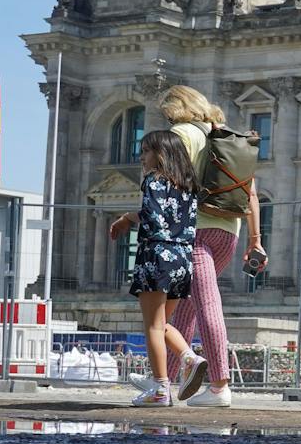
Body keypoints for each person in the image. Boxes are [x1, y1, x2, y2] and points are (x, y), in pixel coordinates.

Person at [160, 86, 264, 409]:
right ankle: (164, 380)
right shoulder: (224, 136)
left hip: (198, 230)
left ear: (176, 109)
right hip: (229, 234)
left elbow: (170, 185)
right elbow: (251, 194)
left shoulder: (182, 134)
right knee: (189, 306)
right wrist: (256, 240)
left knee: (206, 304)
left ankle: (220, 385)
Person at [113, 130, 202, 407]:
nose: (141, 157)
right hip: (183, 258)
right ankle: (190, 358)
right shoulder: (187, 186)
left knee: (152, 325)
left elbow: (152, 216)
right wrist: (130, 216)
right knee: (162, 323)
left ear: (160, 155)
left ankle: (161, 389)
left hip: (157, 255)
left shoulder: (154, 180)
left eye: (146, 151)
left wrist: (130, 219)